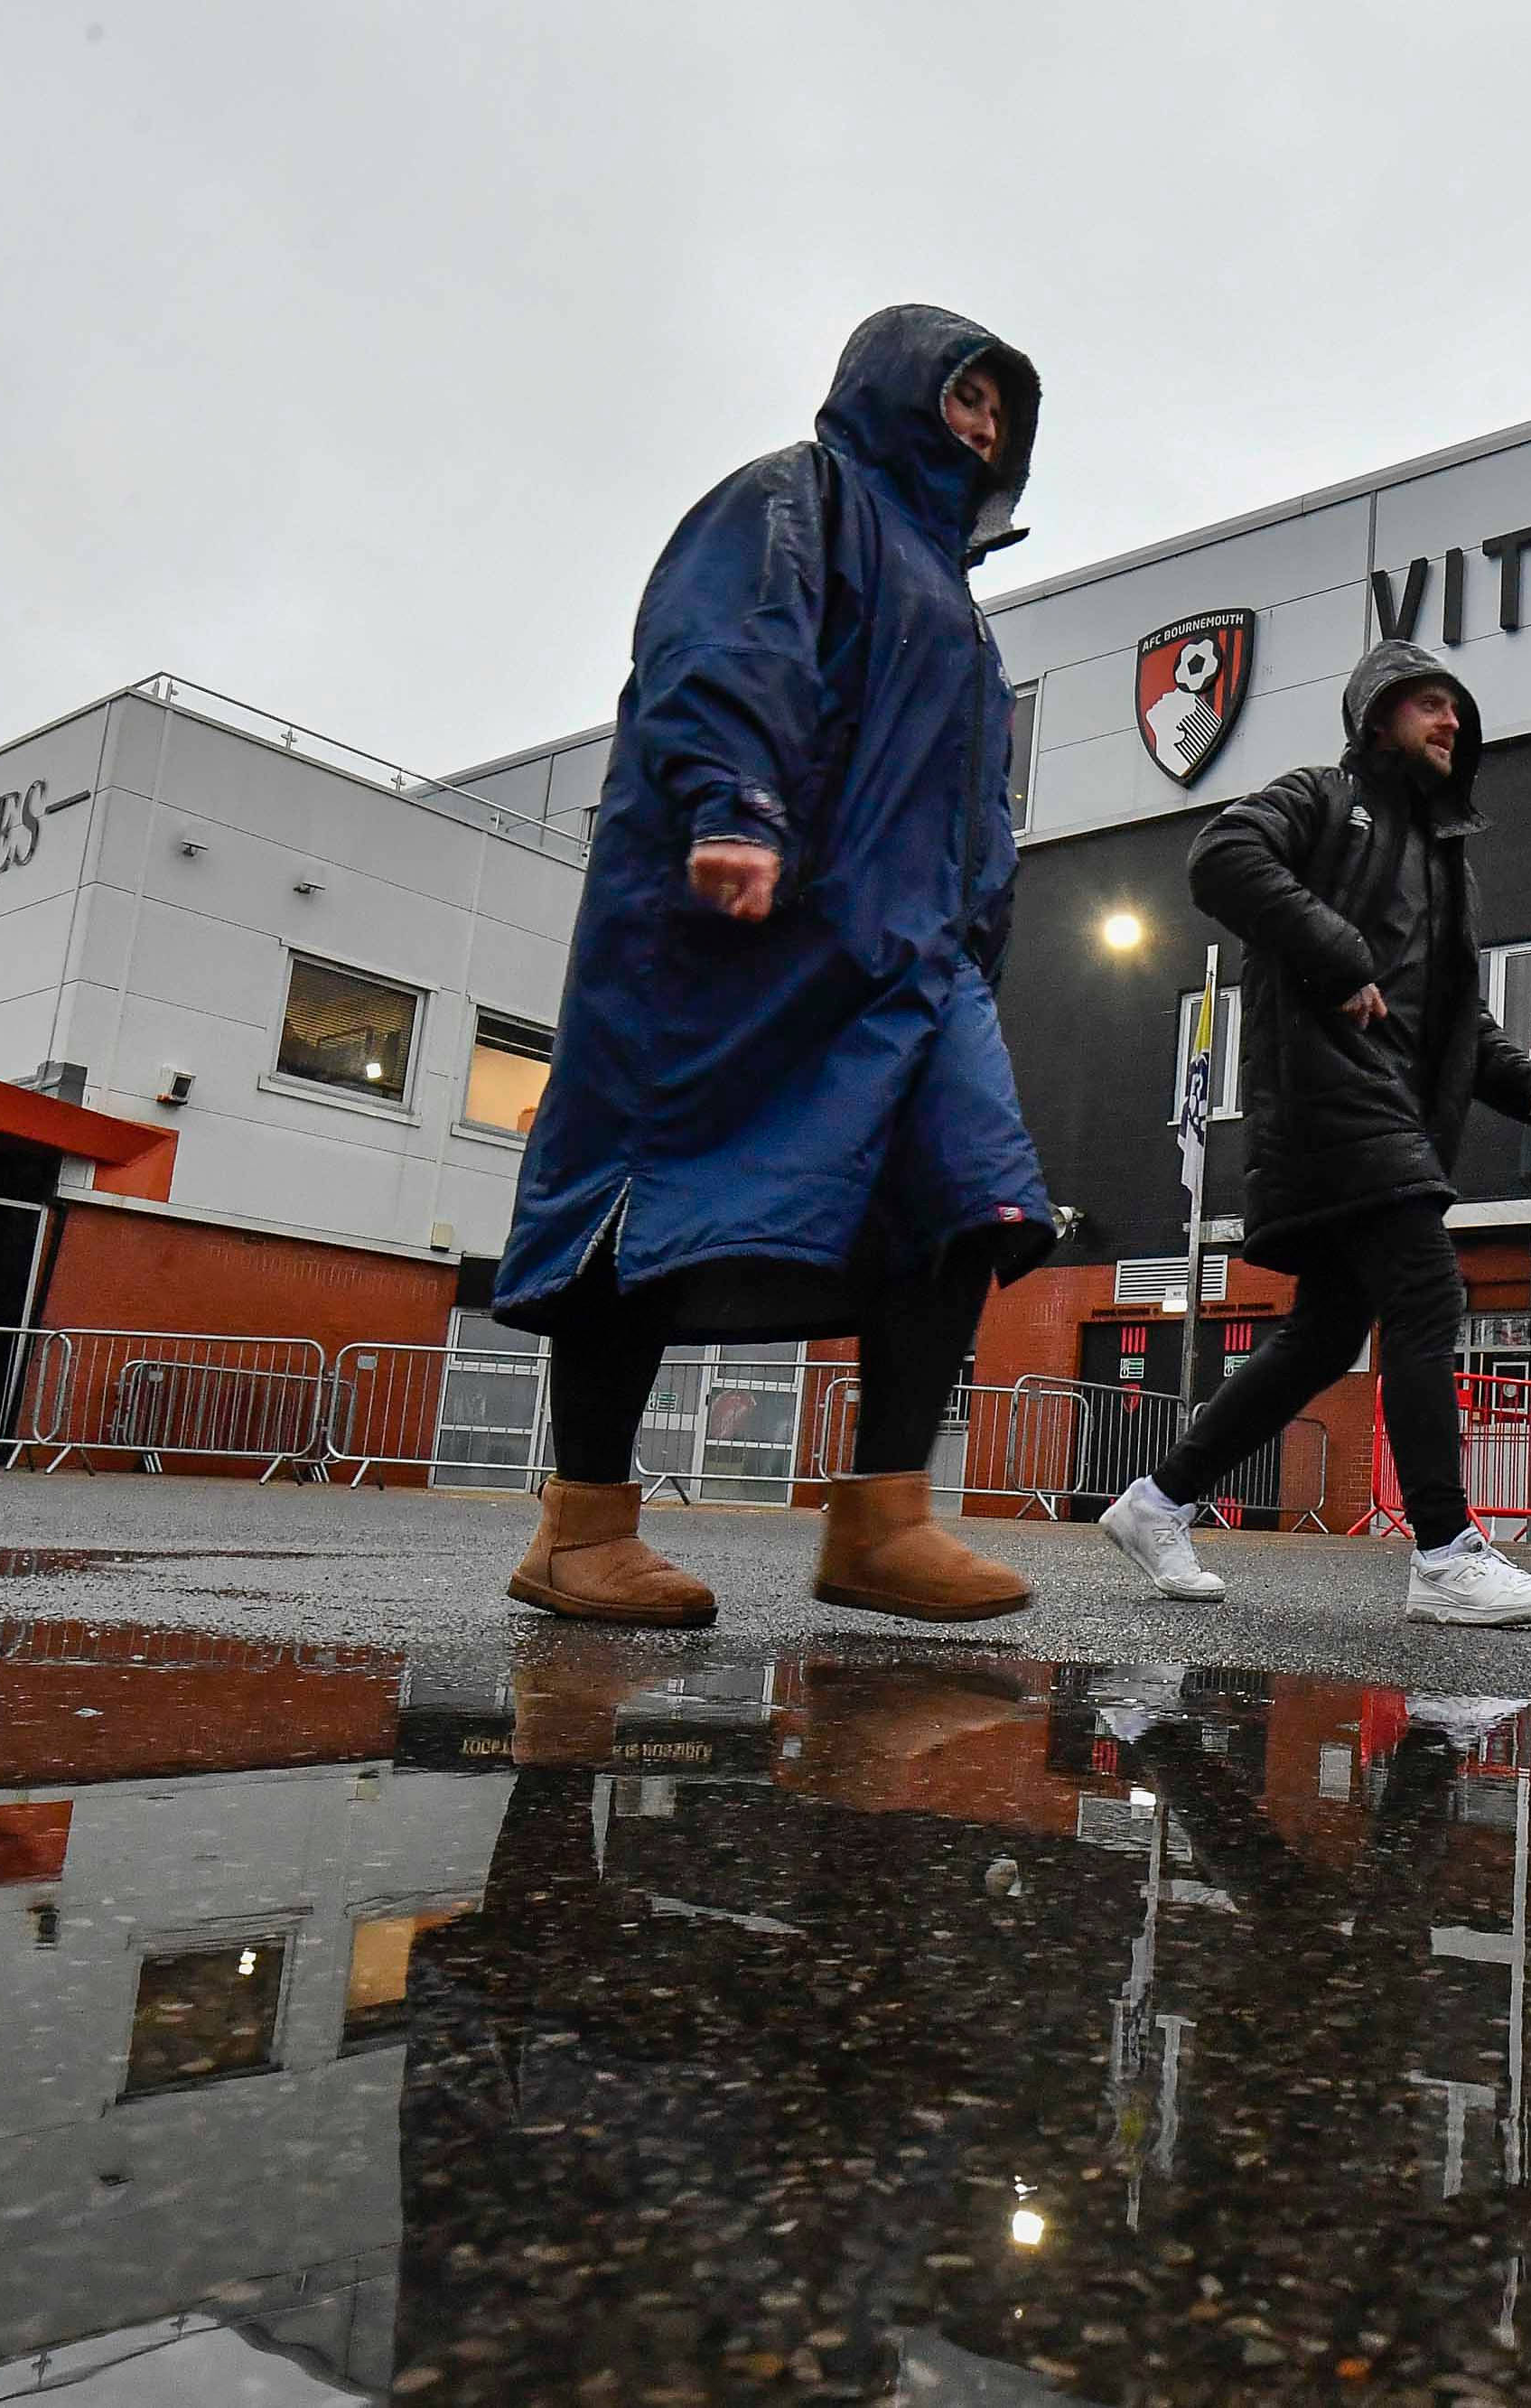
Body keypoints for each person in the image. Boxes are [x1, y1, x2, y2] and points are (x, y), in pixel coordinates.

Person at [491, 306, 1055, 1630]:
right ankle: (581, 1524)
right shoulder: (790, 501)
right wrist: (734, 805)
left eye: (1000, 409)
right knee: (644, 1187)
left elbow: (974, 803)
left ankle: (884, 1519)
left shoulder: (961, 608)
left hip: (908, 961)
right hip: (741, 928)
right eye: (962, 394)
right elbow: (718, 650)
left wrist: (979, 935)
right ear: (894, 388)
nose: (979, 424)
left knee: (971, 1190)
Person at [1097, 639, 1531, 1629]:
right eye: (1428, 705)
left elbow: (1450, 1018)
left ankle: (1155, 1500)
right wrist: (1333, 950)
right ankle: (1445, 1551)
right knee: (1424, 1285)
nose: (1450, 722)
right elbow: (1220, 855)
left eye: (1459, 710)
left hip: (1391, 1113)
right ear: (1376, 716)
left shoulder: (1448, 864)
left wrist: (1523, 1081)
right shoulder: (1323, 798)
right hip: (1328, 1098)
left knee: (1325, 1333)